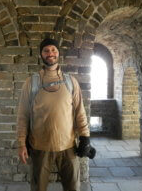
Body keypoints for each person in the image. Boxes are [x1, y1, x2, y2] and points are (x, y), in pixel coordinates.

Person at [17, 38, 95, 191]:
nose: (50, 53)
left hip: (68, 146)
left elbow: (80, 111)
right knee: (38, 187)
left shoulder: (71, 82)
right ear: (41, 54)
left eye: (53, 50)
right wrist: (21, 143)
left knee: (73, 187)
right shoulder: (31, 83)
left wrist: (85, 137)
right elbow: (23, 115)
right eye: (46, 50)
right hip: (39, 146)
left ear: (58, 53)